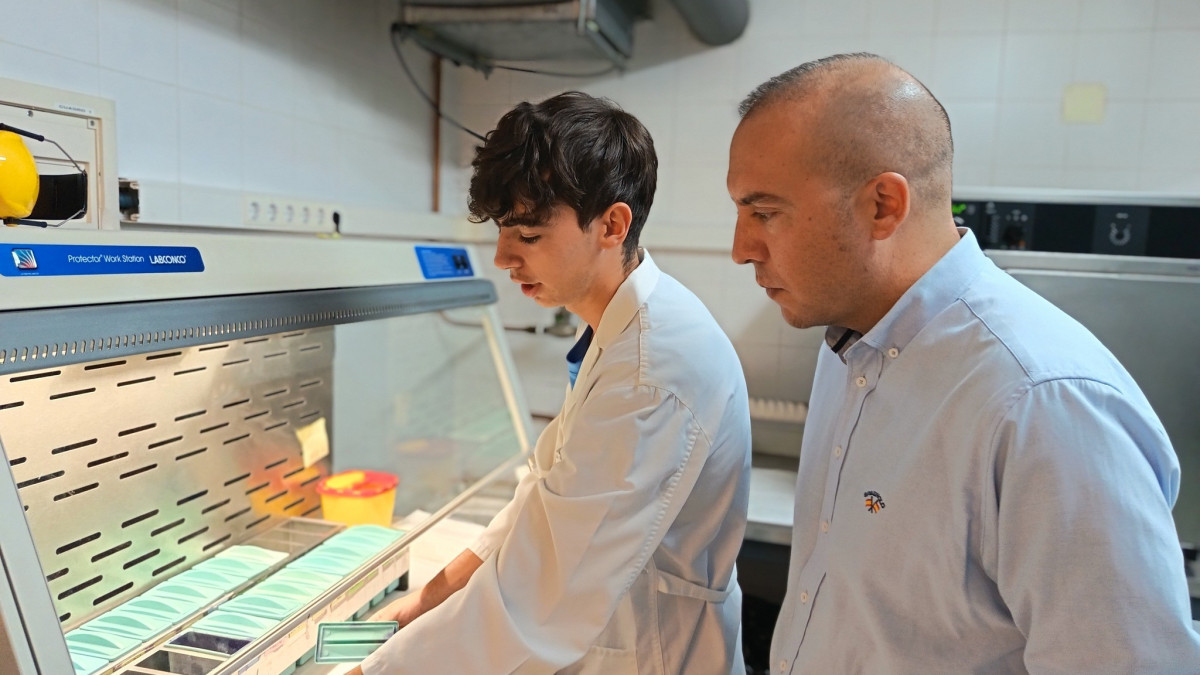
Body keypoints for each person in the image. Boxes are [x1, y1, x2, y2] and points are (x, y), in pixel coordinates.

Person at [727, 53, 1200, 673]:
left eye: (765, 213)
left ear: (883, 206)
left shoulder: (1041, 402)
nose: (741, 250)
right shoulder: (851, 346)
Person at [351, 91, 751, 674]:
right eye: (501, 231)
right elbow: (542, 502)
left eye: (529, 235)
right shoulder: (622, 328)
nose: (503, 258)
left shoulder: (653, 370)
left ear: (613, 224)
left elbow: (542, 602)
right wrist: (424, 602)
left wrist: (372, 672)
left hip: (651, 654)